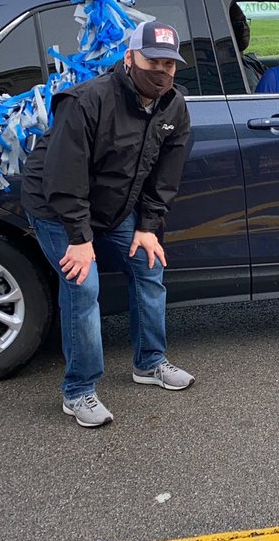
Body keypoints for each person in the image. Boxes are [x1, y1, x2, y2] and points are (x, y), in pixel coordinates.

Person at [22, 21, 195, 428]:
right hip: (57, 208)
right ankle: (78, 391)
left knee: (148, 265)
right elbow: (64, 177)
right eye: (153, 60)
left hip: (114, 208)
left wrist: (148, 225)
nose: (162, 71)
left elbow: (165, 176)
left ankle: (149, 363)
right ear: (129, 57)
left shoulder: (174, 105)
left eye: (170, 64)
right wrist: (80, 239)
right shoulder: (87, 100)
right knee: (83, 284)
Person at [229, 2, 265, 91]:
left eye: (244, 21)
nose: (244, 27)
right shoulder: (237, 72)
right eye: (237, 24)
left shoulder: (248, 60)